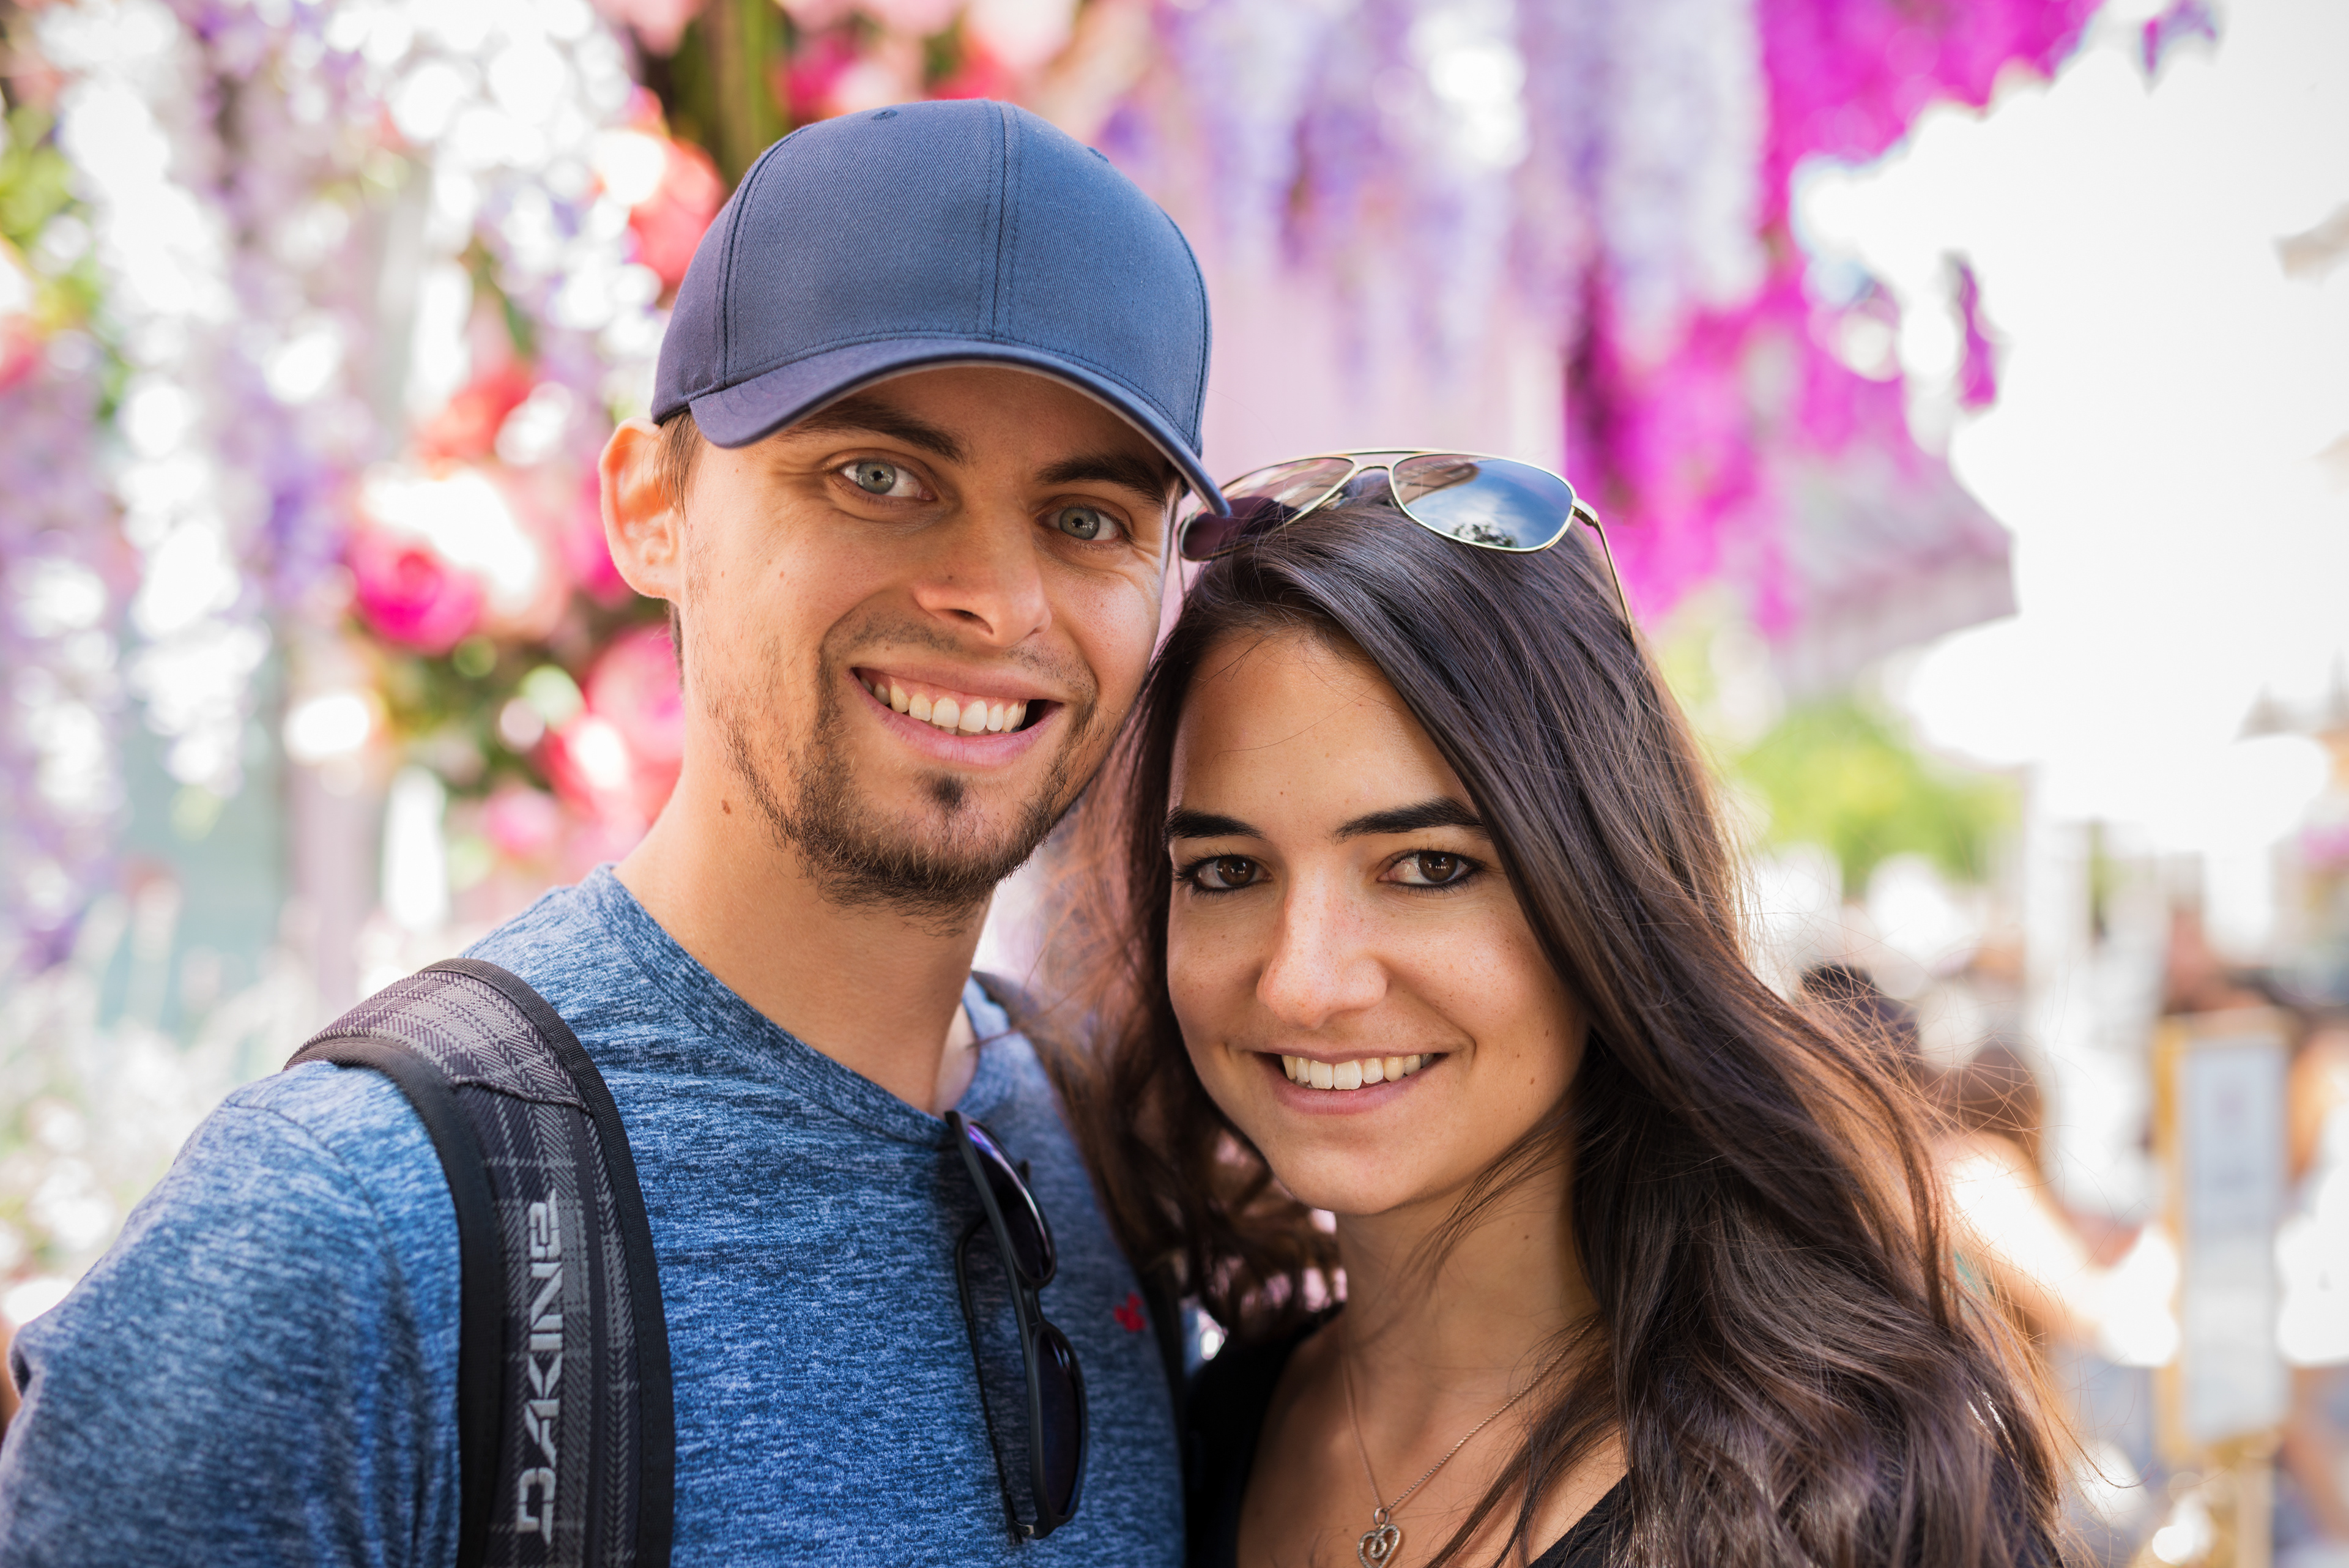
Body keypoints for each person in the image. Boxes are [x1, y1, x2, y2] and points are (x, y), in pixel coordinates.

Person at [0, 100, 1218, 1564]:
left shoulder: (1113, 1150)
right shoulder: (341, 1230)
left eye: (1087, 519)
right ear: (651, 508)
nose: (996, 598)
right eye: (879, 477)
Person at [1042, 465, 2071, 1567]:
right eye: (1228, 871)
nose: (1302, 982)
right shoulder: (1199, 1432)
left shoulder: (1851, 1504)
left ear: (1606, 895)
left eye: (1429, 866)